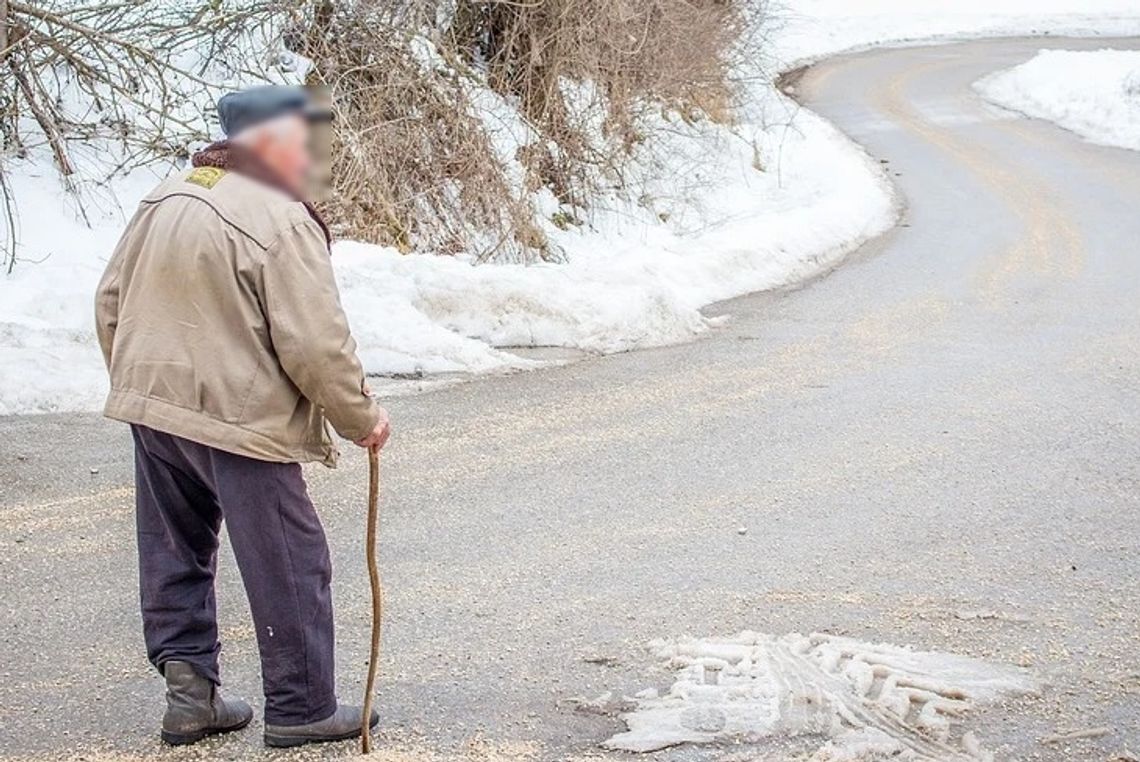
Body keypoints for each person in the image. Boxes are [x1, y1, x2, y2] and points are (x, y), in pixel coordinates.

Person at [94, 85, 391, 748]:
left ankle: (190, 697)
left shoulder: (167, 194)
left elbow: (109, 300)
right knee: (291, 558)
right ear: (279, 139)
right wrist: (360, 416)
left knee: (176, 550)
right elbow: (316, 343)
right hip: (237, 415)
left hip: (156, 406)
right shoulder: (280, 216)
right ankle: (303, 706)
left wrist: (142, 384)